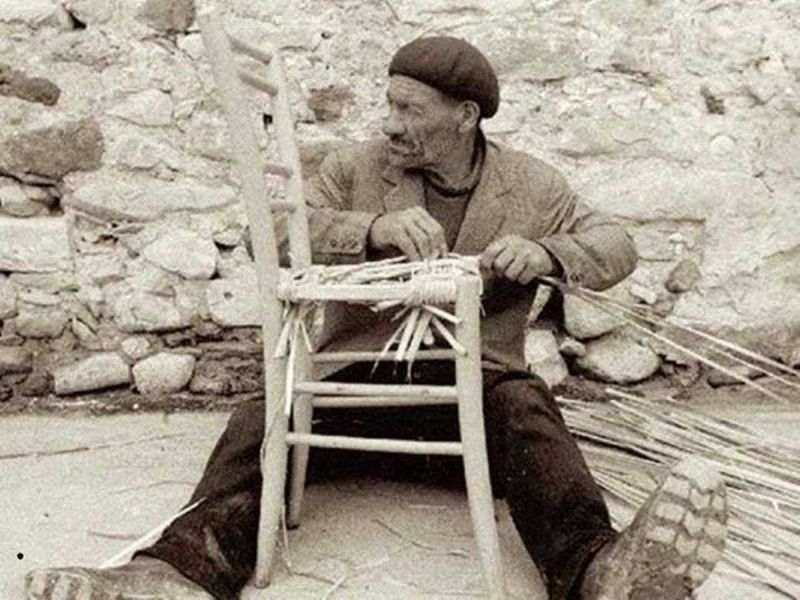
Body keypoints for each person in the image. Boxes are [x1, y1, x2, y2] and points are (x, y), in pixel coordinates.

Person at [26, 37, 728, 600]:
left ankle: (601, 575)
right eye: (389, 104)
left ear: (465, 117)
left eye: (409, 109)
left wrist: (548, 253)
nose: (390, 123)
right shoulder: (356, 168)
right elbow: (268, 234)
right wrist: (371, 230)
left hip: (470, 400)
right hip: (354, 394)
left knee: (528, 409)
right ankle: (174, 574)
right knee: (265, 415)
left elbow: (617, 244)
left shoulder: (533, 185)